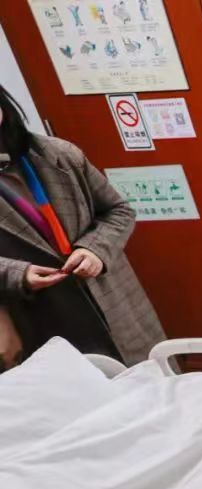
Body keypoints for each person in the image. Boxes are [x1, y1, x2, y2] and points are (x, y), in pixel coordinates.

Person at [0, 84, 164, 368]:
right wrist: (16, 273)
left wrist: (95, 249)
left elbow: (119, 210)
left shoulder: (57, 154)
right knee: (79, 389)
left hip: (113, 301)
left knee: (151, 381)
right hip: (39, 315)